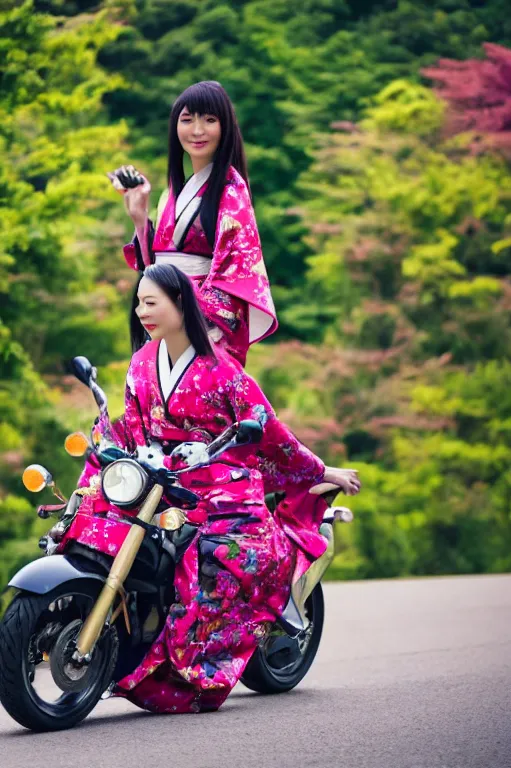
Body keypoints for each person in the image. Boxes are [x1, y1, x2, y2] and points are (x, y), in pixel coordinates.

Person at [77, 264, 360, 714]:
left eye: (152, 303)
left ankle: (197, 660)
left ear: (181, 305)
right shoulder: (140, 363)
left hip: (219, 480)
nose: (141, 311)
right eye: (138, 303)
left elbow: (271, 433)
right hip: (160, 475)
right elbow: (132, 427)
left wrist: (320, 468)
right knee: (92, 508)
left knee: (218, 554)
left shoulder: (223, 371)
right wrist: (109, 446)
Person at [109, 81, 276, 366]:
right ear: (175, 127)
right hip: (167, 321)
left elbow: (233, 275)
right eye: (187, 120)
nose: (197, 130)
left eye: (209, 120)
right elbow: (154, 266)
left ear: (225, 128)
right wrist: (140, 219)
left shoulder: (231, 190)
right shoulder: (171, 194)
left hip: (201, 329)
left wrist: (182, 318)